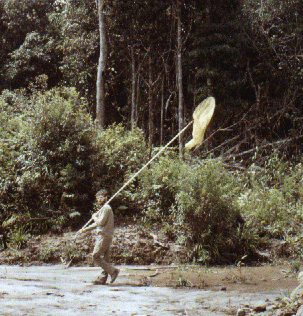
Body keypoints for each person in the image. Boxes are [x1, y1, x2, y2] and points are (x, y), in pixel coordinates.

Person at [78, 189, 119, 285]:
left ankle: (113, 271)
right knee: (105, 259)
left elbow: (100, 222)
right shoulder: (103, 209)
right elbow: (97, 224)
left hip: (104, 236)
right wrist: (84, 230)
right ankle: (102, 278)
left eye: (101, 197)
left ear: (106, 198)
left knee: (95, 256)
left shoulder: (106, 208)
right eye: (98, 198)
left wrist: (94, 217)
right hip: (106, 235)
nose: (99, 199)